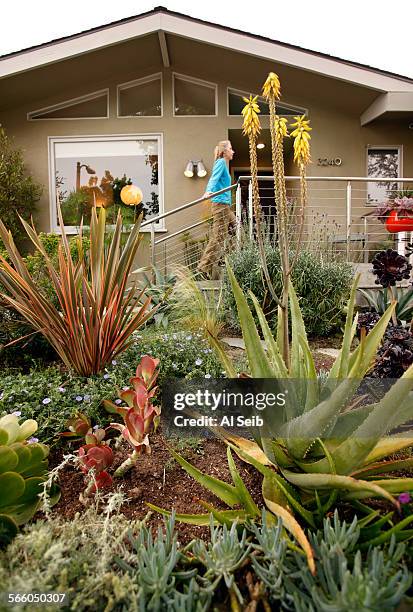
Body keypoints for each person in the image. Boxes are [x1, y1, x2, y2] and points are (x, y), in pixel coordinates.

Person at [197, 140, 236, 279]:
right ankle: (203, 268)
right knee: (218, 236)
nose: (233, 151)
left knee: (238, 229)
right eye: (231, 149)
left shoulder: (224, 164)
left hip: (225, 206)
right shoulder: (220, 163)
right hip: (220, 205)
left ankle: (228, 259)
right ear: (224, 151)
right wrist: (208, 192)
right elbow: (213, 179)